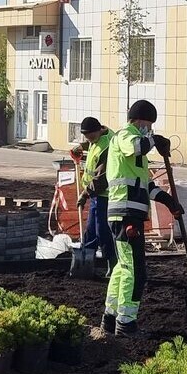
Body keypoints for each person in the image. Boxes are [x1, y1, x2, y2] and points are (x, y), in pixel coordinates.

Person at [104, 99, 183, 336]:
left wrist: (169, 201)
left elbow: (145, 185)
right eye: (149, 125)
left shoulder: (135, 150)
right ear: (139, 121)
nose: (150, 130)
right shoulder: (125, 136)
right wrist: (154, 140)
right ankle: (126, 323)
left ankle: (110, 317)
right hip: (125, 214)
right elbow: (137, 146)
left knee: (122, 267)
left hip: (127, 214)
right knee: (135, 271)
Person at [73, 116, 114, 272]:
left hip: (105, 194)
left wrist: (85, 194)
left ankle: (112, 263)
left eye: (90, 136)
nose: (89, 140)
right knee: (90, 230)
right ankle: (86, 262)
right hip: (96, 195)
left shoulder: (108, 146)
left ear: (98, 130)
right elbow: (92, 144)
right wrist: (81, 147)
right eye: (86, 137)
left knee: (103, 231)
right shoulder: (97, 137)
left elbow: (101, 178)